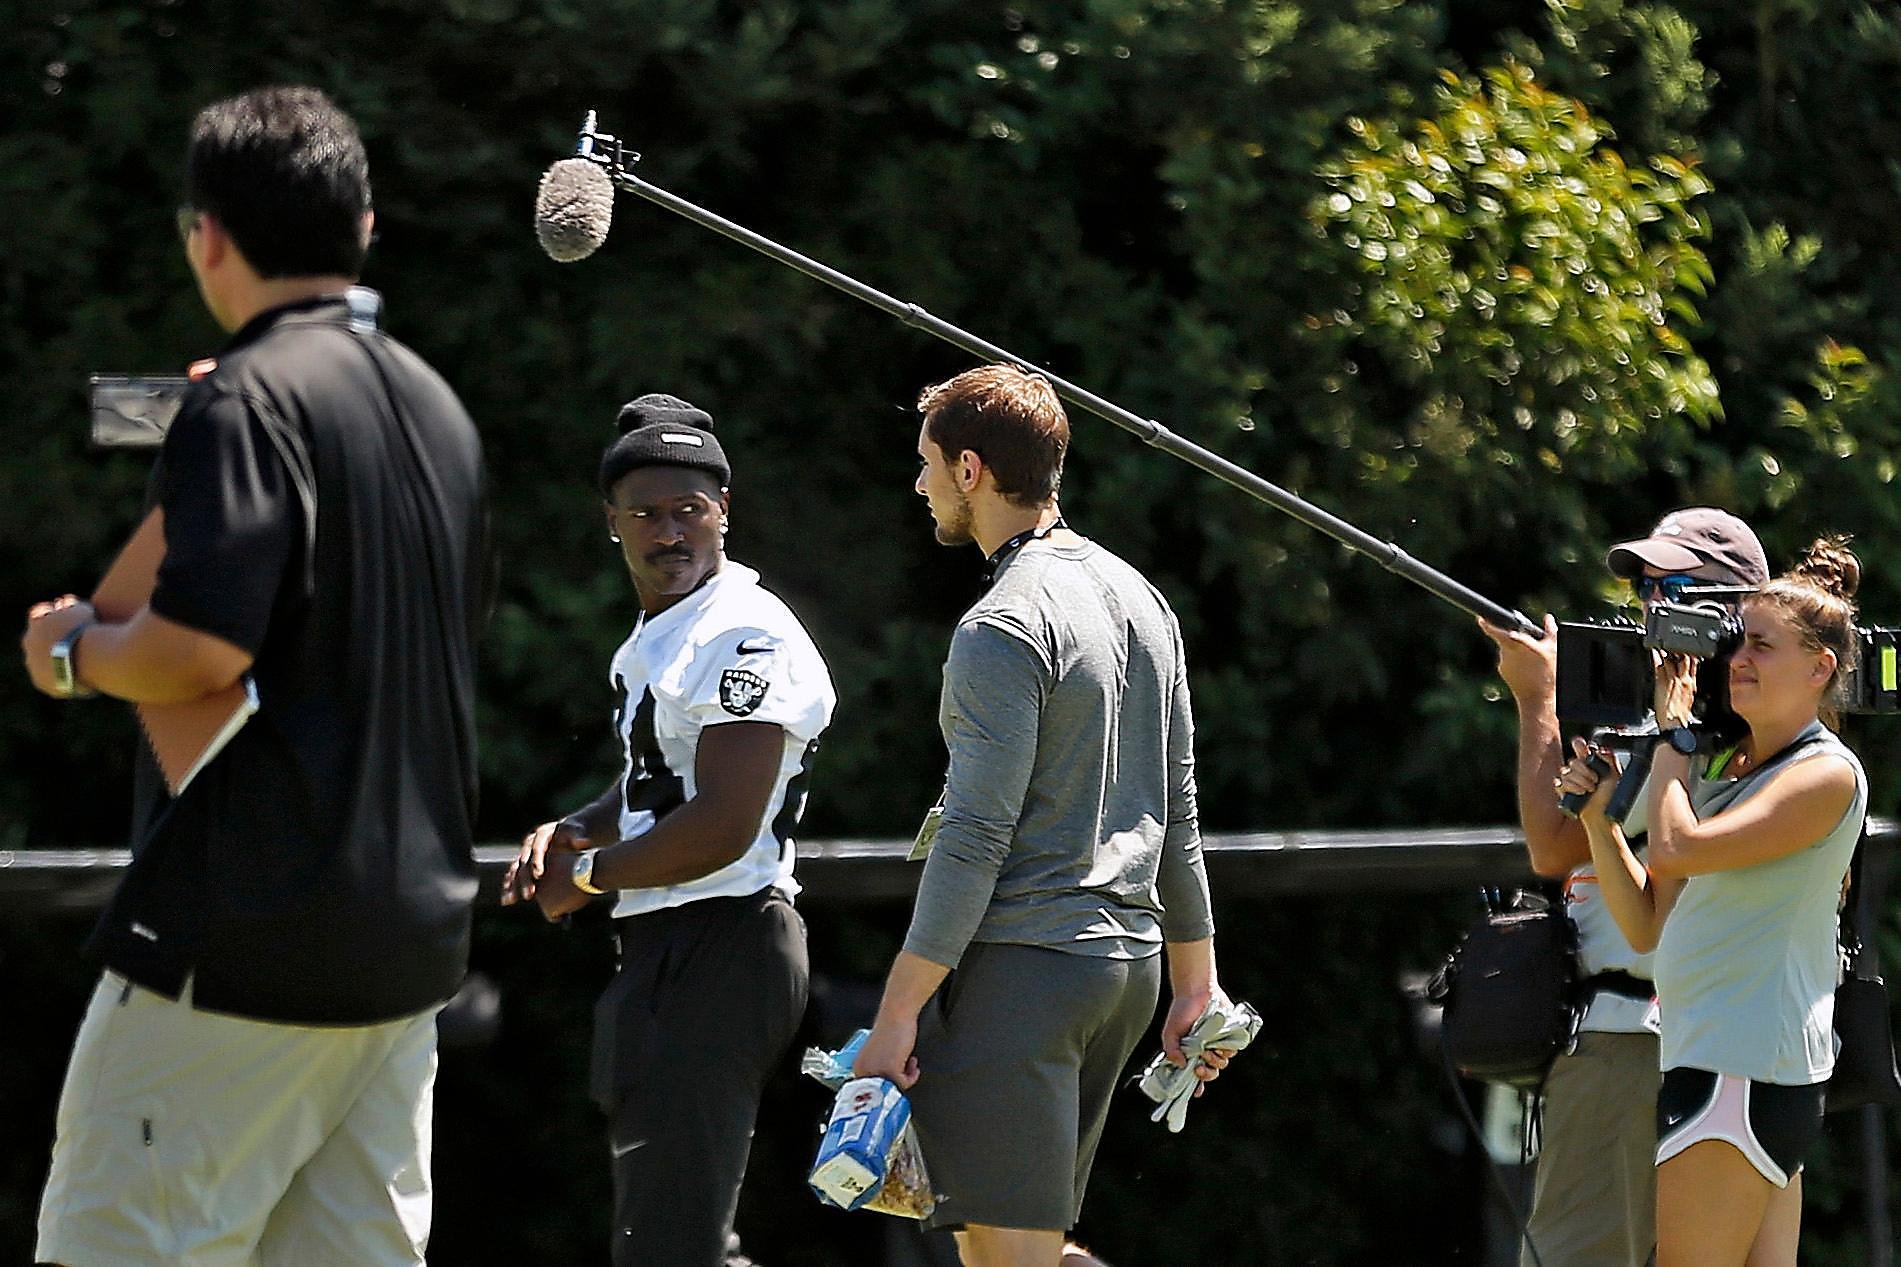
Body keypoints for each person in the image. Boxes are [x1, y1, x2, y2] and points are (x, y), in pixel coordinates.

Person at [20, 86, 487, 1265]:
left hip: (241, 939)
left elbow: (198, 648)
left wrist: (69, 651)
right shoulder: (440, 410)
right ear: (364, 226)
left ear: (207, 236)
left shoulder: (243, 399)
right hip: (402, 956)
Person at [853, 365, 1228, 1267]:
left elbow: (977, 836)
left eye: (927, 464)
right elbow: (1177, 811)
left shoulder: (1000, 626)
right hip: (1124, 975)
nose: (919, 484)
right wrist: (1193, 984)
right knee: (1006, 1250)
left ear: (971, 470)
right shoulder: (1143, 599)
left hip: (1027, 975)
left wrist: (896, 1013)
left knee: (1013, 1256)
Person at [502, 394, 835, 1267]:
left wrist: (586, 876)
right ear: (610, 523)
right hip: (670, 943)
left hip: (726, 935)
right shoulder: (663, 633)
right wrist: (573, 827)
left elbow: (724, 821)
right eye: (645, 513)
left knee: (672, 1247)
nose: (669, 531)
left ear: (723, 510)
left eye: (689, 509)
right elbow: (661, 778)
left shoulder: (742, 633)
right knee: (670, 1242)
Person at [1557, 537, 1866, 1267]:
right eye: (1737, 644)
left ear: (1819, 667)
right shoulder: (1727, 767)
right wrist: (1599, 817)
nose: (1737, 661)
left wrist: (1672, 732)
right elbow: (1644, 924)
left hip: (1738, 1071)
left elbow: (1676, 849)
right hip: (1725, 1066)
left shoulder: (1825, 772)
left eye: (1761, 645)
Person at [1479, 508, 1768, 1267]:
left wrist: (1535, 694)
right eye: (1644, 587)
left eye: (1671, 586)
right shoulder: (1771, 730)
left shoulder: (1684, 733)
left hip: (1631, 1047)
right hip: (1735, 1050)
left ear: (1732, 606)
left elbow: (1551, 841)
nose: (1648, 604)